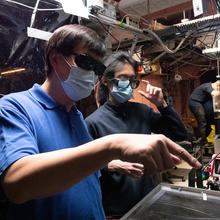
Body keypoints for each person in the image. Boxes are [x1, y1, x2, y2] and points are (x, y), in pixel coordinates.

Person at [0, 24, 201, 220]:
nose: (90, 74)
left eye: (96, 68)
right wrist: (113, 146)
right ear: (55, 59)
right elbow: (16, 185)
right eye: (86, 63)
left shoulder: (75, 116)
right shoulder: (15, 107)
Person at [85, 50, 188, 218]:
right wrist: (110, 165)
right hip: (116, 209)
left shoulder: (142, 111)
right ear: (105, 81)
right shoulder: (93, 122)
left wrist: (162, 104)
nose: (128, 83)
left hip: (148, 198)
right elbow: (85, 167)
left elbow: (179, 134)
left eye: (132, 79)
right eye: (123, 78)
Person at [189, 80, 220, 145]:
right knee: (202, 120)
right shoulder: (208, 86)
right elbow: (214, 94)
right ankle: (202, 140)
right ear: (217, 85)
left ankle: (204, 138)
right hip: (195, 102)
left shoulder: (210, 86)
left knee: (208, 121)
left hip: (200, 102)